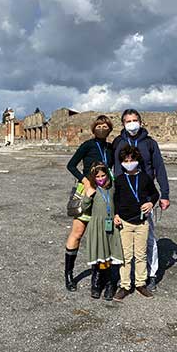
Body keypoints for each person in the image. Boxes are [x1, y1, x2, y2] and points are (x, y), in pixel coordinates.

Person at [112, 108, 170, 292]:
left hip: (145, 198)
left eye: (134, 120)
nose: (132, 124)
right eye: (128, 121)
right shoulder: (118, 142)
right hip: (123, 199)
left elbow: (159, 168)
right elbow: (109, 167)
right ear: (123, 124)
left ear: (141, 121)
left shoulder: (150, 143)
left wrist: (165, 194)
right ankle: (124, 279)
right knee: (123, 240)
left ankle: (150, 275)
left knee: (150, 238)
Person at [64, 115, 114, 291]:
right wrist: (84, 181)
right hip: (87, 191)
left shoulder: (110, 148)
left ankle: (98, 277)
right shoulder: (87, 145)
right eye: (99, 125)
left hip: (104, 194)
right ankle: (69, 274)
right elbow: (71, 165)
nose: (102, 128)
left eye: (105, 125)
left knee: (101, 234)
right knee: (77, 233)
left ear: (109, 128)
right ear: (94, 128)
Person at [113, 146, 157, 301]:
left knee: (140, 255)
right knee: (125, 256)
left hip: (141, 223)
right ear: (122, 162)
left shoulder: (145, 178)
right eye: (126, 160)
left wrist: (151, 203)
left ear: (137, 160)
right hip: (125, 223)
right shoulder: (119, 179)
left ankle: (140, 283)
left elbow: (155, 194)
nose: (129, 163)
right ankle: (125, 285)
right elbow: (115, 200)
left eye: (132, 160)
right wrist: (115, 215)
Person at [80, 162, 123, 300]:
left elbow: (118, 202)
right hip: (97, 226)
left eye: (103, 175)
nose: (100, 178)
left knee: (111, 253)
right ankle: (96, 283)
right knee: (100, 253)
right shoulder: (93, 189)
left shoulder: (112, 188)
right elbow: (84, 207)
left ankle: (110, 284)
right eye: (97, 176)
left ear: (107, 175)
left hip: (111, 226)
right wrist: (88, 196)